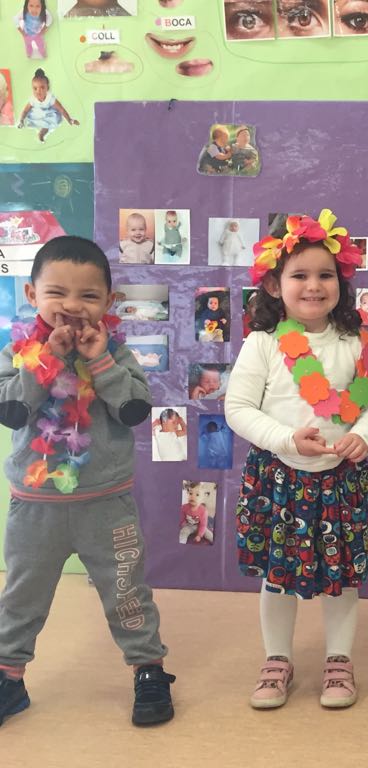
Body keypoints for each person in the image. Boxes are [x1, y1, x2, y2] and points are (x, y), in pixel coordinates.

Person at [0, 235, 175, 728]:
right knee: (22, 597)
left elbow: (135, 410)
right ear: (32, 294)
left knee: (127, 592)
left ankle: (148, 670)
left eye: (89, 295)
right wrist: (47, 362)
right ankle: (8, 678)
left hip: (107, 505)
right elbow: (12, 411)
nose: (73, 306)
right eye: (57, 292)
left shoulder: (118, 354)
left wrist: (99, 363)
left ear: (109, 302)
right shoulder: (17, 352)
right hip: (36, 506)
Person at [225, 209, 368, 710]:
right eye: (300, 275)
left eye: (325, 275)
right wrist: (287, 440)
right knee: (278, 578)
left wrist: (363, 435)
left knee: (342, 579)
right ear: (273, 285)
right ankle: (277, 659)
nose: (314, 286)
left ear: (341, 281)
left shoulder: (356, 342)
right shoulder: (262, 344)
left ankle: (339, 660)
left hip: (341, 481)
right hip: (280, 480)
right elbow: (237, 409)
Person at [17, 68, 78, 143]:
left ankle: (42, 133)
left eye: (42, 87)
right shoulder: (33, 99)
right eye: (35, 88)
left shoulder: (50, 98)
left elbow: (61, 109)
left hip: (49, 114)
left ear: (47, 88)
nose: (38, 91)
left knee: (51, 122)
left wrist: (70, 120)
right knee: (29, 119)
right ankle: (35, 126)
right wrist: (21, 120)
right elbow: (25, 110)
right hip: (37, 113)